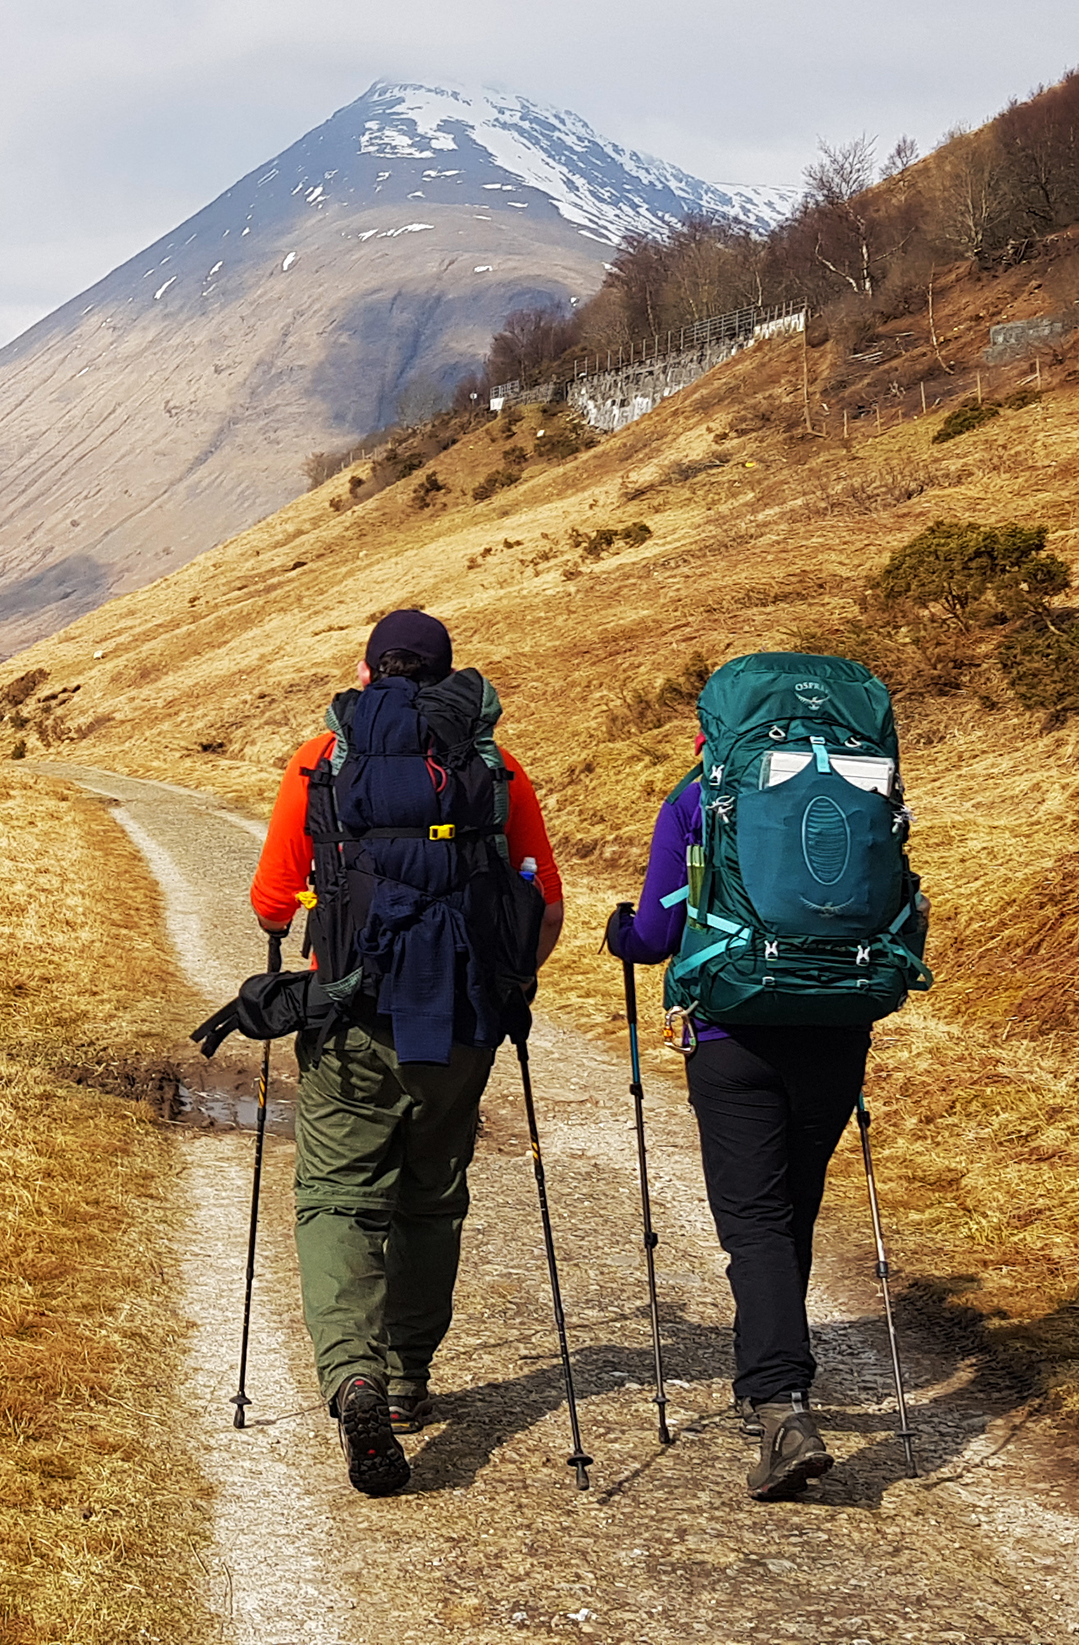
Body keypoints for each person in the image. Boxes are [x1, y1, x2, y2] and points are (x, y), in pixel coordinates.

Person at [248, 608, 563, 1497]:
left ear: (366, 669)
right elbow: (545, 905)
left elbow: (273, 900)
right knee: (430, 1199)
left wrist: (305, 924)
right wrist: (507, 984)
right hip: (461, 1022)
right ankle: (409, 1378)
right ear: (450, 677)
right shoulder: (496, 767)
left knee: (340, 1197)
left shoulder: (322, 758)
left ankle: (355, 1377)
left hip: (351, 1013)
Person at [604, 767, 864, 1502]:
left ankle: (782, 1403)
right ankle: (770, 1381)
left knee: (754, 1222)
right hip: (837, 1027)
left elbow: (655, 933)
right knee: (792, 1210)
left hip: (732, 1034)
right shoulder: (858, 783)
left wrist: (620, 932)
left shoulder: (696, 796)